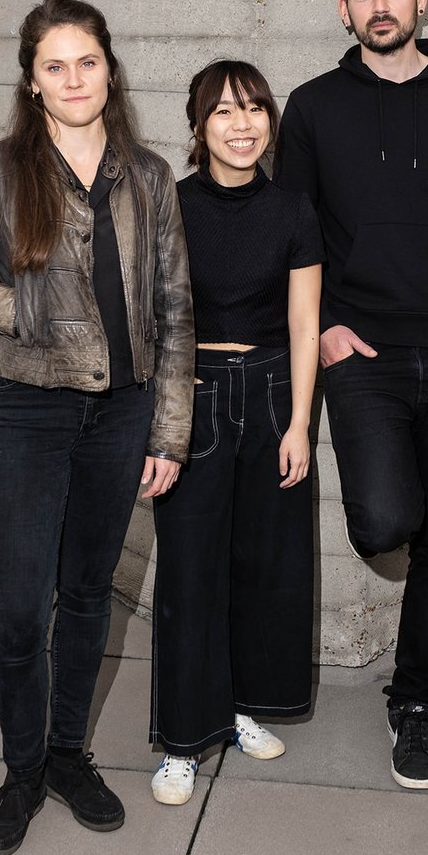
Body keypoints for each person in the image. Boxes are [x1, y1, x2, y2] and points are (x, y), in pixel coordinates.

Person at [0, 0, 194, 855]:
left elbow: (175, 308)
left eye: (88, 62)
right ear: (31, 84)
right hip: (28, 411)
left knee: (86, 596)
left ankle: (68, 755)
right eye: (54, 66)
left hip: (124, 412)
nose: (74, 79)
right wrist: (18, 306)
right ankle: (21, 770)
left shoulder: (147, 175)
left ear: (111, 69)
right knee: (17, 611)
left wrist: (168, 432)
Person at [274, 0, 428, 791]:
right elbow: (292, 233)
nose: (380, 5)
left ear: (422, 1)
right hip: (363, 352)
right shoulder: (311, 107)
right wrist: (329, 327)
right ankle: (416, 647)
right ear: (344, 11)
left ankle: (415, 706)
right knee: (383, 521)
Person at [149, 60, 323, 806]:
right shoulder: (170, 206)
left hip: (274, 395)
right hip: (192, 397)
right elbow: (152, 320)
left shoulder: (293, 210)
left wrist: (300, 425)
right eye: (222, 111)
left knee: (266, 566)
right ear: (198, 125)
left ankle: (245, 709)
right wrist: (160, 428)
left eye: (253, 108)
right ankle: (184, 740)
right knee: (191, 572)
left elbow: (306, 324)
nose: (241, 123)